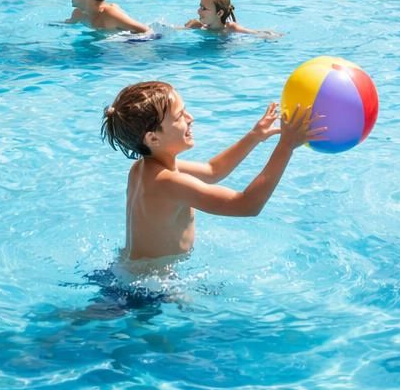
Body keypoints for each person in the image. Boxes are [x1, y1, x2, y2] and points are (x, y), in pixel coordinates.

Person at [100, 81, 318, 261]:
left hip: (125, 274)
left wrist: (255, 136)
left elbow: (213, 170)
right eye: (180, 117)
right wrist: (286, 146)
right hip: (149, 291)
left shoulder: (143, 169)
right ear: (153, 138)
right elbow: (247, 205)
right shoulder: (168, 183)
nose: (190, 118)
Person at [184, 0, 273, 36]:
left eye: (204, 8)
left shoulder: (231, 27)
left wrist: (268, 34)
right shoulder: (197, 26)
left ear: (219, 13)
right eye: (200, 7)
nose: (198, 11)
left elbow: (255, 33)